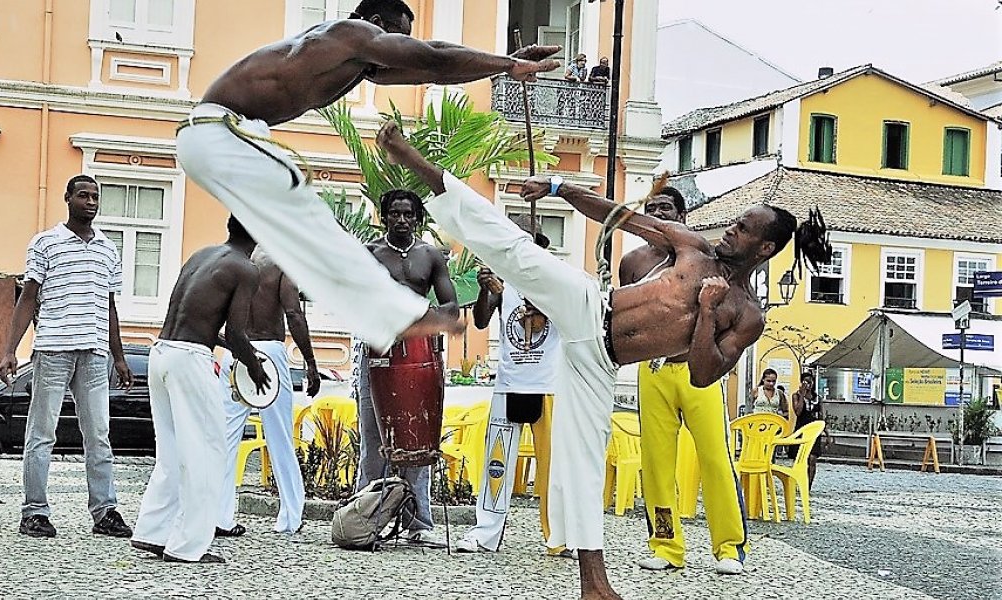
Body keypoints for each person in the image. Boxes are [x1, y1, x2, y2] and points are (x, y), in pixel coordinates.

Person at [373, 120, 830, 600]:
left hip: (602, 361)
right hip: (592, 306)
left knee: (585, 460)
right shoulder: (692, 248)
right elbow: (617, 215)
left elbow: (702, 374)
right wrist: (557, 185)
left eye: (742, 230)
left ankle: (594, 583)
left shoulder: (746, 314)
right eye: (734, 223)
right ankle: (414, 162)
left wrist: (706, 313)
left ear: (765, 248)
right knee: (513, 248)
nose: (729, 232)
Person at [175, 0, 560, 354]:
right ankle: (398, 314)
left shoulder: (353, 62)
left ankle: (386, 314)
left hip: (211, 140)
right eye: (397, 37)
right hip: (220, 132)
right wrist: (509, 66)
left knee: (301, 228)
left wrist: (503, 62)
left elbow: (433, 68)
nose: (400, 48)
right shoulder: (349, 34)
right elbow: (432, 58)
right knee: (305, 210)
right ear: (376, 24)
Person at [618, 187, 748, 576]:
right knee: (656, 462)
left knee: (715, 458)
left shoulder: (703, 255)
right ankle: (665, 544)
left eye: (666, 209)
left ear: (683, 214)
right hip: (654, 370)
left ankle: (728, 547)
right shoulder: (632, 263)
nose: (658, 216)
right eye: (651, 210)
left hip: (698, 372)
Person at [0, 174, 135, 540]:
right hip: (53, 348)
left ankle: (105, 512)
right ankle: (35, 512)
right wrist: (11, 349)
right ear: (68, 198)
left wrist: (119, 357)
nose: (91, 202)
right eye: (83, 196)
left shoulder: (108, 248)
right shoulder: (46, 243)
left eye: (95, 197)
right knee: (42, 433)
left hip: (94, 352)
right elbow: (28, 297)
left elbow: (109, 306)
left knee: (99, 436)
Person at [130, 217, 271, 564]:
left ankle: (153, 533)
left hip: (162, 353)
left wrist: (233, 349)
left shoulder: (202, 255)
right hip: (190, 361)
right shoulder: (245, 269)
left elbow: (197, 323)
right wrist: (255, 366)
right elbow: (238, 334)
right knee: (207, 454)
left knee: (172, 451)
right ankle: (188, 547)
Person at [353, 189, 459, 546]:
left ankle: (419, 522)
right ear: (384, 217)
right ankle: (370, 518)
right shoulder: (369, 254)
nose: (401, 219)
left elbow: (450, 308)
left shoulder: (430, 255)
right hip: (377, 352)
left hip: (419, 356)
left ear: (418, 219)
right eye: (395, 213)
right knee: (374, 437)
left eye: (408, 214)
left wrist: (415, 323)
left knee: (418, 435)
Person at [455, 215, 562, 556]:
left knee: (553, 467)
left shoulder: (552, 278)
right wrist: (489, 289)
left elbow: (554, 314)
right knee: (497, 462)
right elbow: (483, 321)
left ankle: (558, 536)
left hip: (549, 385)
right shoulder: (502, 278)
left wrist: (508, 289)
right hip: (509, 383)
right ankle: (486, 532)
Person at [215, 248, 321, 538]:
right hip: (269, 351)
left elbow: (213, 315)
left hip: (234, 351)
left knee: (226, 437)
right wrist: (311, 363)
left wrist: (231, 348)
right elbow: (294, 315)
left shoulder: (230, 260)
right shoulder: (281, 261)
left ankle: (218, 514)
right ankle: (290, 516)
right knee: (281, 437)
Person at [792, 371, 824, 485]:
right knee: (802, 458)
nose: (808, 384)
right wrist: (802, 394)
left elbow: (821, 416)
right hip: (802, 429)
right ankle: (800, 482)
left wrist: (826, 433)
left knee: (812, 458)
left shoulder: (817, 398)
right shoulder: (796, 396)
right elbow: (798, 411)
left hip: (814, 431)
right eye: (806, 382)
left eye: (810, 382)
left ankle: (808, 485)